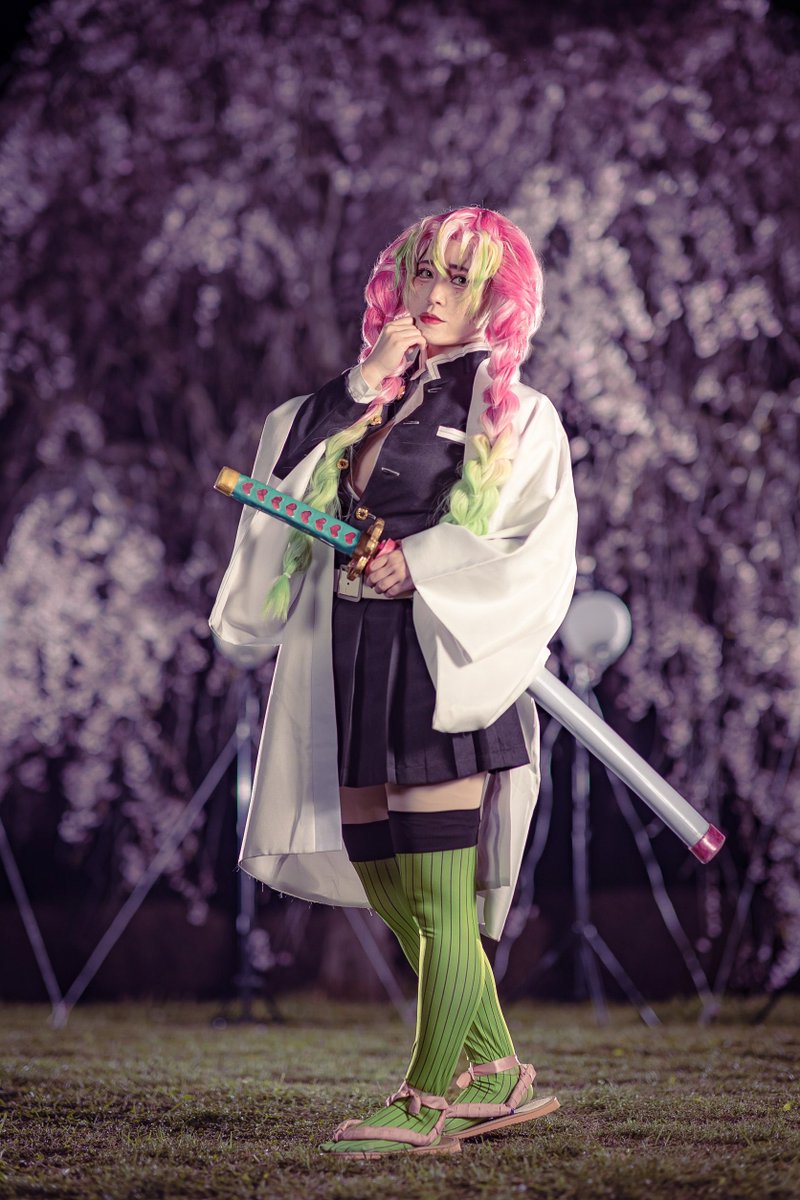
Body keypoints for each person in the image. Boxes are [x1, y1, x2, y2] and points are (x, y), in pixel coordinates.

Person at [209, 206, 578, 1157]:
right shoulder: (360, 399)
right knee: (387, 880)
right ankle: (494, 1070)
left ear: (497, 296)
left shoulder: (516, 415)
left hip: (442, 668)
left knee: (442, 897)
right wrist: (360, 384)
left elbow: (536, 549)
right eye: (423, 270)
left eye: (460, 277)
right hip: (351, 664)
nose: (435, 292)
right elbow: (282, 471)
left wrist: (423, 562)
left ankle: (425, 1102)